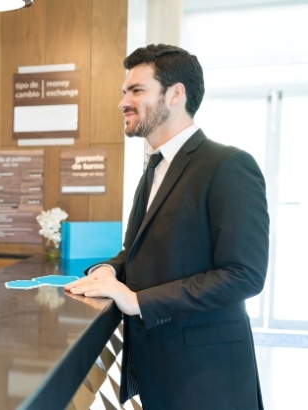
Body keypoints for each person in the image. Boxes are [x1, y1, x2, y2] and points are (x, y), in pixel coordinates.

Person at [65, 44, 268, 409]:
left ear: (176, 94)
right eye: (124, 92)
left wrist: (138, 300)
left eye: (136, 90)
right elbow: (139, 250)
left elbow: (244, 275)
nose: (123, 102)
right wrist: (107, 272)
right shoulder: (155, 168)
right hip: (161, 372)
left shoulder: (229, 165)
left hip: (209, 379)